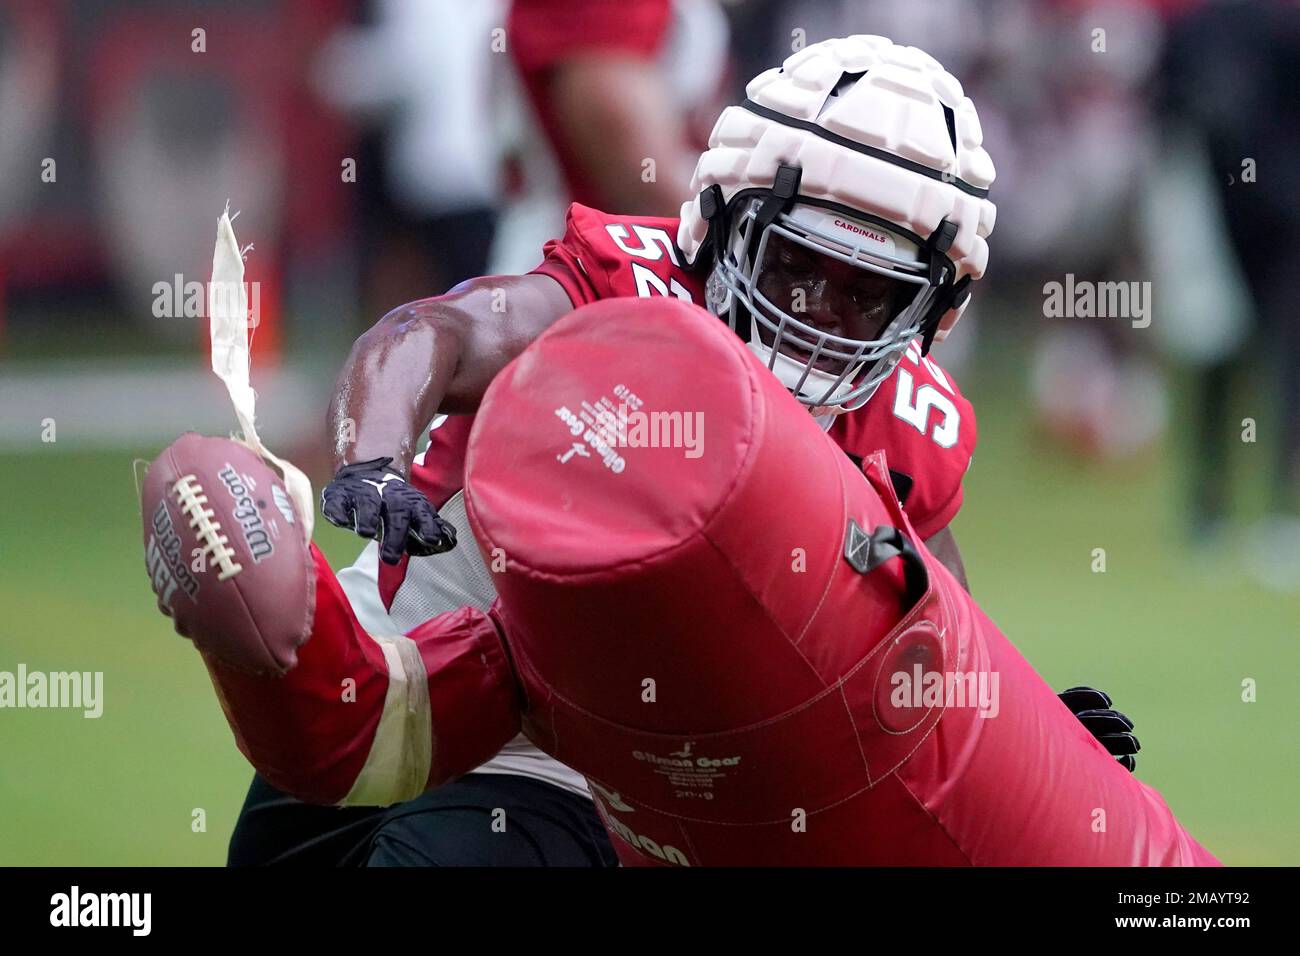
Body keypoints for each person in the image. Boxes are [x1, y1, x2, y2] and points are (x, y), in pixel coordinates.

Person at [228, 34, 1138, 867]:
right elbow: (434, 332)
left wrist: (1030, 740)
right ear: (725, 218)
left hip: (564, 766)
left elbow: (936, 635)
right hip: (385, 670)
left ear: (927, 311)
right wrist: (373, 457)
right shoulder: (628, 288)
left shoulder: (909, 423)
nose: (818, 314)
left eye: (866, 294)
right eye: (797, 265)